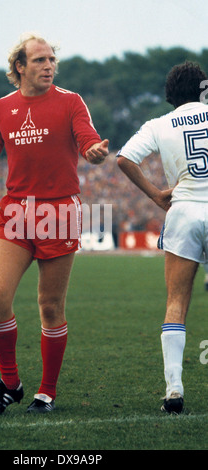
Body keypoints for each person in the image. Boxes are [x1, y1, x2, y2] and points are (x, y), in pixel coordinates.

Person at [0, 33, 109, 415]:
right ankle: (10, 384)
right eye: (39, 60)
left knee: (50, 307)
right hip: (16, 212)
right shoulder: (0, 108)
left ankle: (46, 393)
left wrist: (95, 153)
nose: (49, 66)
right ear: (20, 67)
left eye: (51, 60)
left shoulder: (70, 102)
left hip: (60, 213)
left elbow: (88, 142)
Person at [117, 61, 208, 414]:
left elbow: (124, 158)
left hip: (183, 212)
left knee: (176, 302)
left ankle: (174, 388)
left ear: (170, 95)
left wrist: (156, 194)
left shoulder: (159, 124)